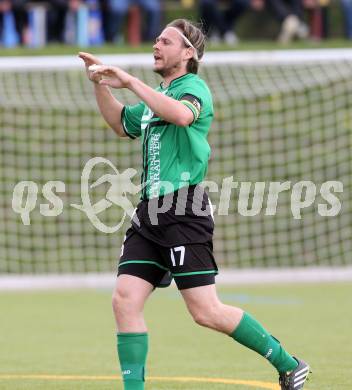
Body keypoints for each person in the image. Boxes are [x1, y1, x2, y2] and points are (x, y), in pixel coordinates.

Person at [79, 18, 310, 390]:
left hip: (184, 210)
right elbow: (122, 124)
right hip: (148, 214)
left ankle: (288, 363)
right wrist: (101, 86)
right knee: (124, 299)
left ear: (188, 53)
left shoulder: (194, 88)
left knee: (206, 312)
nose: (156, 45)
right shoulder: (156, 95)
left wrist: (131, 83)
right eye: (156, 39)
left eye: (166, 41)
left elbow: (182, 115)